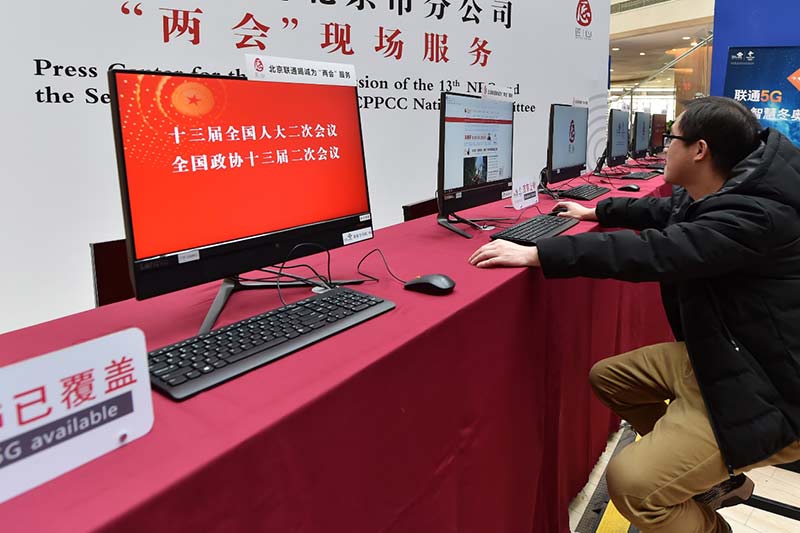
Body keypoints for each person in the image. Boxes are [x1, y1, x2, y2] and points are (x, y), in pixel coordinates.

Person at [468, 97, 800, 533]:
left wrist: (539, 253)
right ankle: (716, 478)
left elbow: (659, 251)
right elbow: (670, 211)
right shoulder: (738, 185)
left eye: (671, 139)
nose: (663, 148)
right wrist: (598, 210)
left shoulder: (756, 213)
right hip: (729, 354)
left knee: (632, 485)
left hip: (770, 384)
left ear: (699, 150)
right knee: (610, 378)